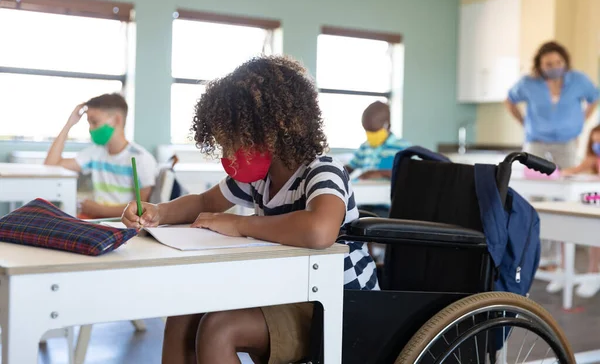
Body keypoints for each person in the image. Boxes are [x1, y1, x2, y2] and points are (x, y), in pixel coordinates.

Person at [121, 56, 379, 364]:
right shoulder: (261, 179)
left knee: (219, 329)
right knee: (183, 315)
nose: (229, 153)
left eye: (234, 141)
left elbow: (319, 230)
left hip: (338, 306)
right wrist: (159, 213)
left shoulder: (323, 170)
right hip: (288, 293)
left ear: (276, 127)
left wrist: (241, 224)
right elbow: (204, 202)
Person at [45, 93, 158, 219]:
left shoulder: (141, 158)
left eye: (94, 122)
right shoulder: (95, 153)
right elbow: (51, 165)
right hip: (94, 219)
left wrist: (100, 210)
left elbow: (142, 208)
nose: (90, 129)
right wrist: (69, 124)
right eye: (89, 123)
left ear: (117, 120)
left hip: (121, 224)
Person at [505, 41, 599, 169]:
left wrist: (582, 120)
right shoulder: (528, 83)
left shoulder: (578, 80)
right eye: (549, 64)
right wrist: (524, 122)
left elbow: (594, 98)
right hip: (537, 141)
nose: (555, 67)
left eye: (559, 62)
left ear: (565, 61)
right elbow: (509, 100)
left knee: (566, 178)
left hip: (566, 142)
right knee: (534, 179)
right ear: (540, 65)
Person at [554, 124, 600, 297]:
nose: (597, 145)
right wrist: (557, 173)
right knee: (566, 224)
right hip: (593, 200)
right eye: (595, 142)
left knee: (596, 232)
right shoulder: (592, 159)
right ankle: (565, 268)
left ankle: (593, 272)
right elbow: (573, 170)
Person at [344, 101, 411, 217]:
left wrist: (380, 173)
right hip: (363, 202)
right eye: (367, 131)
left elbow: (410, 174)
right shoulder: (365, 147)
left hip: (388, 206)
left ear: (387, 125)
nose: (370, 135)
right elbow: (350, 167)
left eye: (374, 131)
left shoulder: (403, 147)